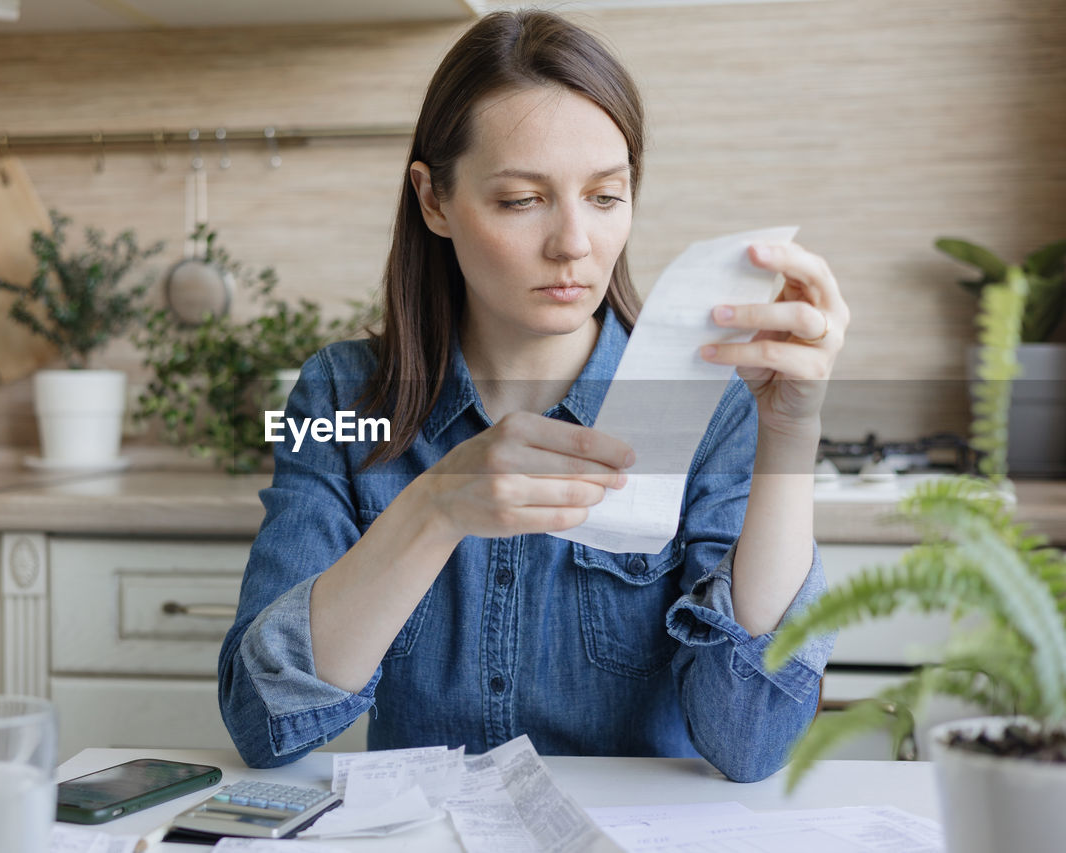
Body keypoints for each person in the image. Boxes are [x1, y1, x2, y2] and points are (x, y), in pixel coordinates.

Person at [217, 9, 850, 783]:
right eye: (522, 200)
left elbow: (751, 742)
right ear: (435, 199)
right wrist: (437, 505)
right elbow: (263, 721)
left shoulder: (705, 405)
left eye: (606, 196)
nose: (574, 243)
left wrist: (790, 434)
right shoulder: (342, 394)